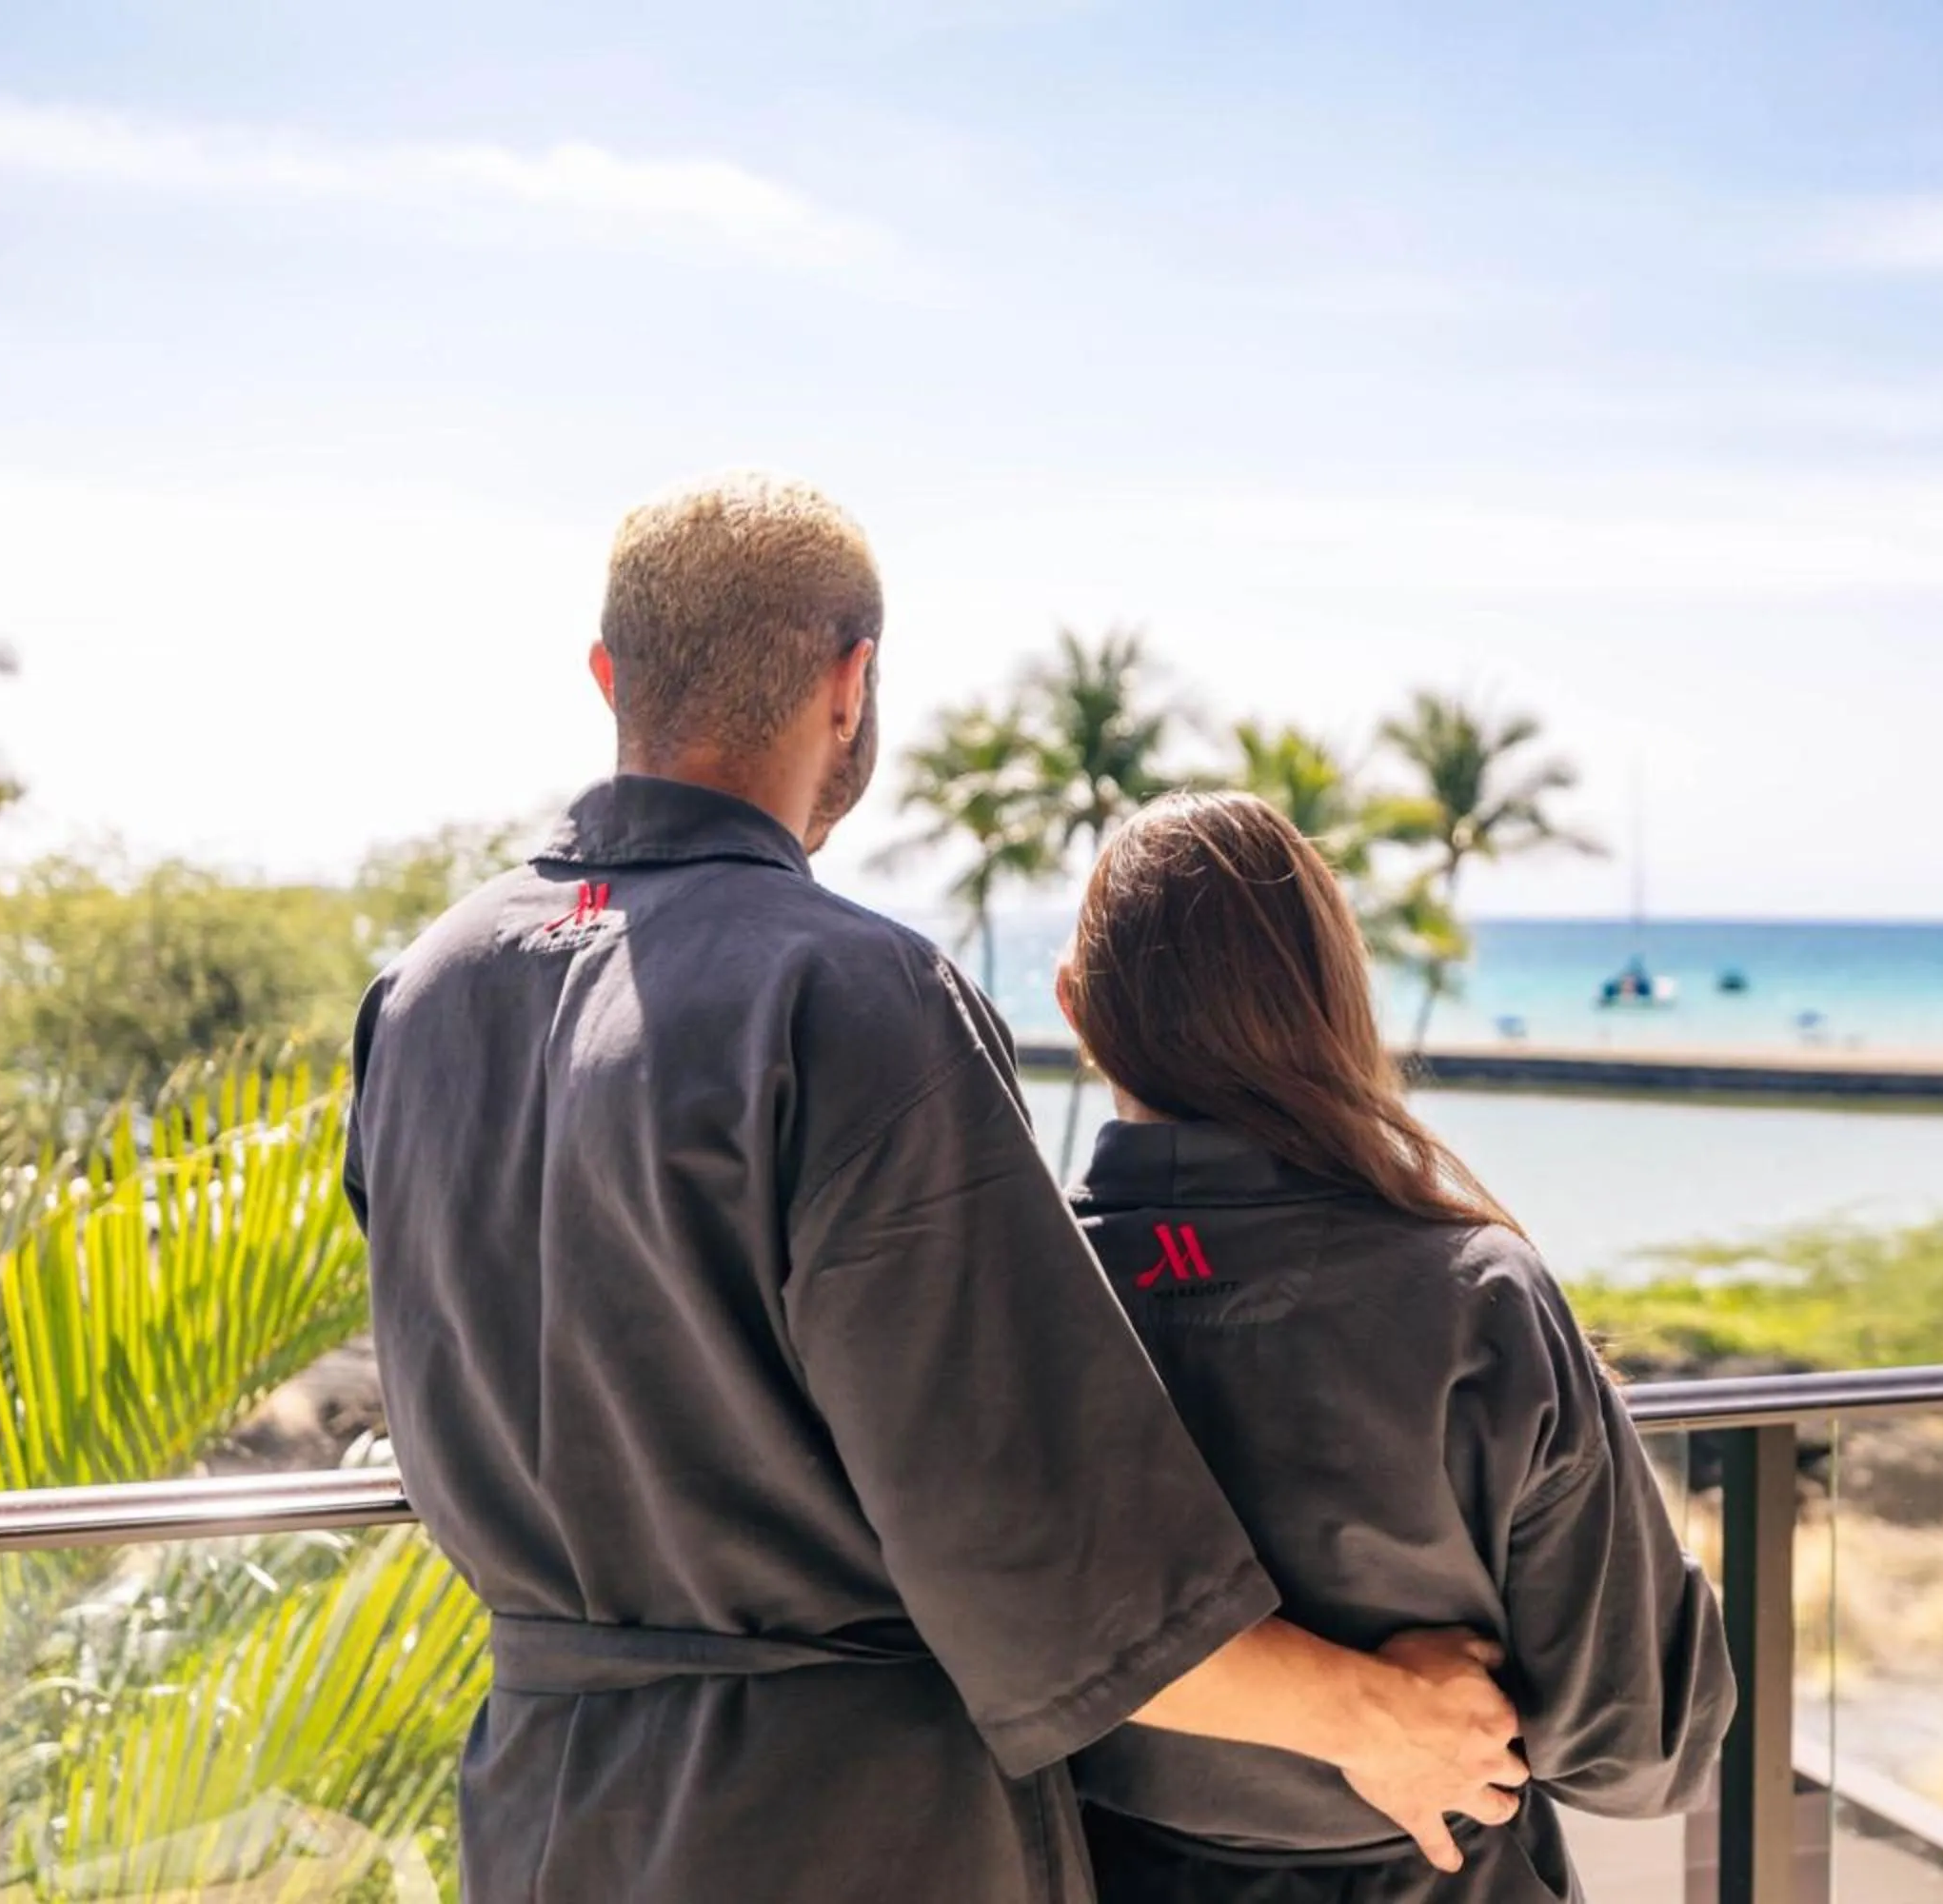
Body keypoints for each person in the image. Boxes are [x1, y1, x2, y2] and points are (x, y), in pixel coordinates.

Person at [343, 474, 1526, 1903]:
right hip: (841, 1833)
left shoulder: (421, 995)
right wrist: (1384, 1723)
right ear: (852, 688)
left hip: (543, 1811)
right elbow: (1026, 1533)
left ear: (610, 678)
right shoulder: (851, 997)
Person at [1056, 791, 1737, 1902]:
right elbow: (1641, 1748)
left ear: (1075, 1009)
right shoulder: (1476, 1299)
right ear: (1335, 1002)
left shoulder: (1010, 1299)